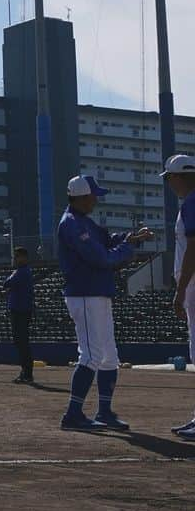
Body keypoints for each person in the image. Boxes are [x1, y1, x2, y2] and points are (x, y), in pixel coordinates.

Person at [57, 174, 153, 432]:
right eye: (93, 196)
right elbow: (101, 258)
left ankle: (105, 411)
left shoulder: (83, 222)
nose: (96, 200)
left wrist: (130, 238)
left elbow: (107, 240)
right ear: (82, 197)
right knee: (90, 355)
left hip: (98, 292)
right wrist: (127, 250)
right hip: (84, 294)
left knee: (109, 357)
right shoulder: (71, 224)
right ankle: (73, 414)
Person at [162, 155, 195, 439]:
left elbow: (193, 250)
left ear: (180, 177)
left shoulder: (191, 205)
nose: (168, 182)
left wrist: (180, 289)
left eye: (169, 177)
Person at [4, 246, 36, 384]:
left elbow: (7, 283)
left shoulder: (22, 271)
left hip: (20, 310)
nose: (15, 259)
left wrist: (11, 282)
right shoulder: (22, 271)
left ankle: (27, 373)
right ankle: (25, 372)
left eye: (17, 257)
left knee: (22, 342)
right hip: (20, 309)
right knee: (20, 342)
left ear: (23, 258)